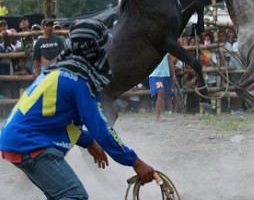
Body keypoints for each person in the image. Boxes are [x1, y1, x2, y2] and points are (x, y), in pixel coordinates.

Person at [0, 19, 155, 199]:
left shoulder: (58, 71)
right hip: (31, 144)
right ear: (93, 50)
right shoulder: (79, 81)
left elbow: (56, 118)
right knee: (75, 196)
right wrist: (135, 162)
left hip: (18, 140)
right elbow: (101, 130)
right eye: (102, 47)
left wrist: (87, 141)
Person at [149, 53, 176, 121]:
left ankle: (158, 115)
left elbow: (170, 60)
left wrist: (173, 74)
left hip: (165, 74)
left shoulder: (166, 49)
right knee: (160, 92)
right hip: (155, 74)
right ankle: (161, 114)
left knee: (162, 95)